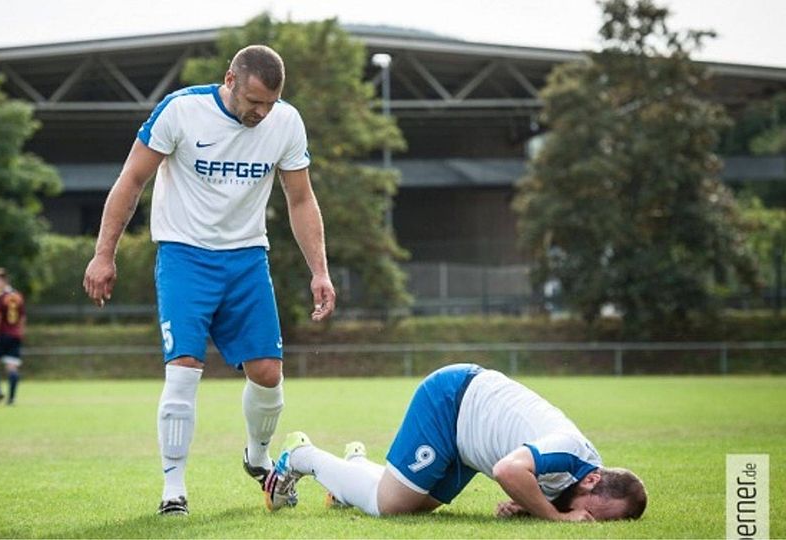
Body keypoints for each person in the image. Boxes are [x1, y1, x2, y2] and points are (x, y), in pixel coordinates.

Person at [83, 44, 336, 516]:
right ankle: (173, 489)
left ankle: (257, 458)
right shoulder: (181, 110)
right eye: (254, 102)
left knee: (268, 374)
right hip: (184, 256)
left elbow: (301, 199)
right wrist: (104, 255)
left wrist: (319, 270)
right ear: (230, 80)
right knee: (183, 368)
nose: (262, 113)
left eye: (270, 103)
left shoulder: (286, 122)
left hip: (246, 257)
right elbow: (131, 179)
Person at [265, 363, 647, 522]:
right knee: (391, 506)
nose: (587, 520)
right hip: (453, 401)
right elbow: (507, 470)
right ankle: (302, 456)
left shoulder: (579, 476)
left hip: (470, 443)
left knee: (417, 506)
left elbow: (529, 480)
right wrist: (556, 517)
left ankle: (356, 467)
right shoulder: (570, 449)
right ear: (593, 479)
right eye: (593, 514)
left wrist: (530, 506)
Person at [0, 267, 26, 406]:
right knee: (12, 367)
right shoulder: (17, 296)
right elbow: (22, 318)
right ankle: (12, 398)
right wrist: (20, 333)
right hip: (15, 335)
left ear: (2, 280)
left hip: (2, 335)